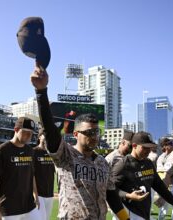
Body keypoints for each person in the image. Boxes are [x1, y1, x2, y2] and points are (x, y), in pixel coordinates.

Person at [31, 64, 129, 219]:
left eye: (97, 132)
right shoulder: (65, 155)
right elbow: (50, 130)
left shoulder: (103, 163)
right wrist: (41, 92)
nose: (94, 136)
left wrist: (125, 218)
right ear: (76, 134)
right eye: (89, 132)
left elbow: (111, 195)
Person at [111, 131, 173, 220]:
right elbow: (110, 189)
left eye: (150, 147)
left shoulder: (148, 163)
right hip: (130, 212)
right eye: (145, 148)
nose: (148, 151)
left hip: (145, 213)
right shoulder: (123, 164)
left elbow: (160, 187)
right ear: (134, 145)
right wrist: (128, 195)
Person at [0, 117, 41, 220]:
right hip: (9, 210)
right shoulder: (0, 151)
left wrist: (36, 196)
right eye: (25, 132)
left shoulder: (30, 151)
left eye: (31, 133)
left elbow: (31, 175)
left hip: (29, 206)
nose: (29, 136)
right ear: (16, 130)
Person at [33, 128, 55, 220]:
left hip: (50, 193)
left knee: (46, 218)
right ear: (39, 137)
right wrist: (35, 195)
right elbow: (31, 175)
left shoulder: (53, 153)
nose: (46, 138)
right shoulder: (33, 152)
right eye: (44, 135)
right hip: (39, 194)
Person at [155, 138, 173, 220]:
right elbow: (162, 173)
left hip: (167, 184)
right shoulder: (162, 157)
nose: (172, 145)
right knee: (164, 207)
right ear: (165, 146)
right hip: (165, 184)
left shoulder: (170, 155)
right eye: (170, 144)